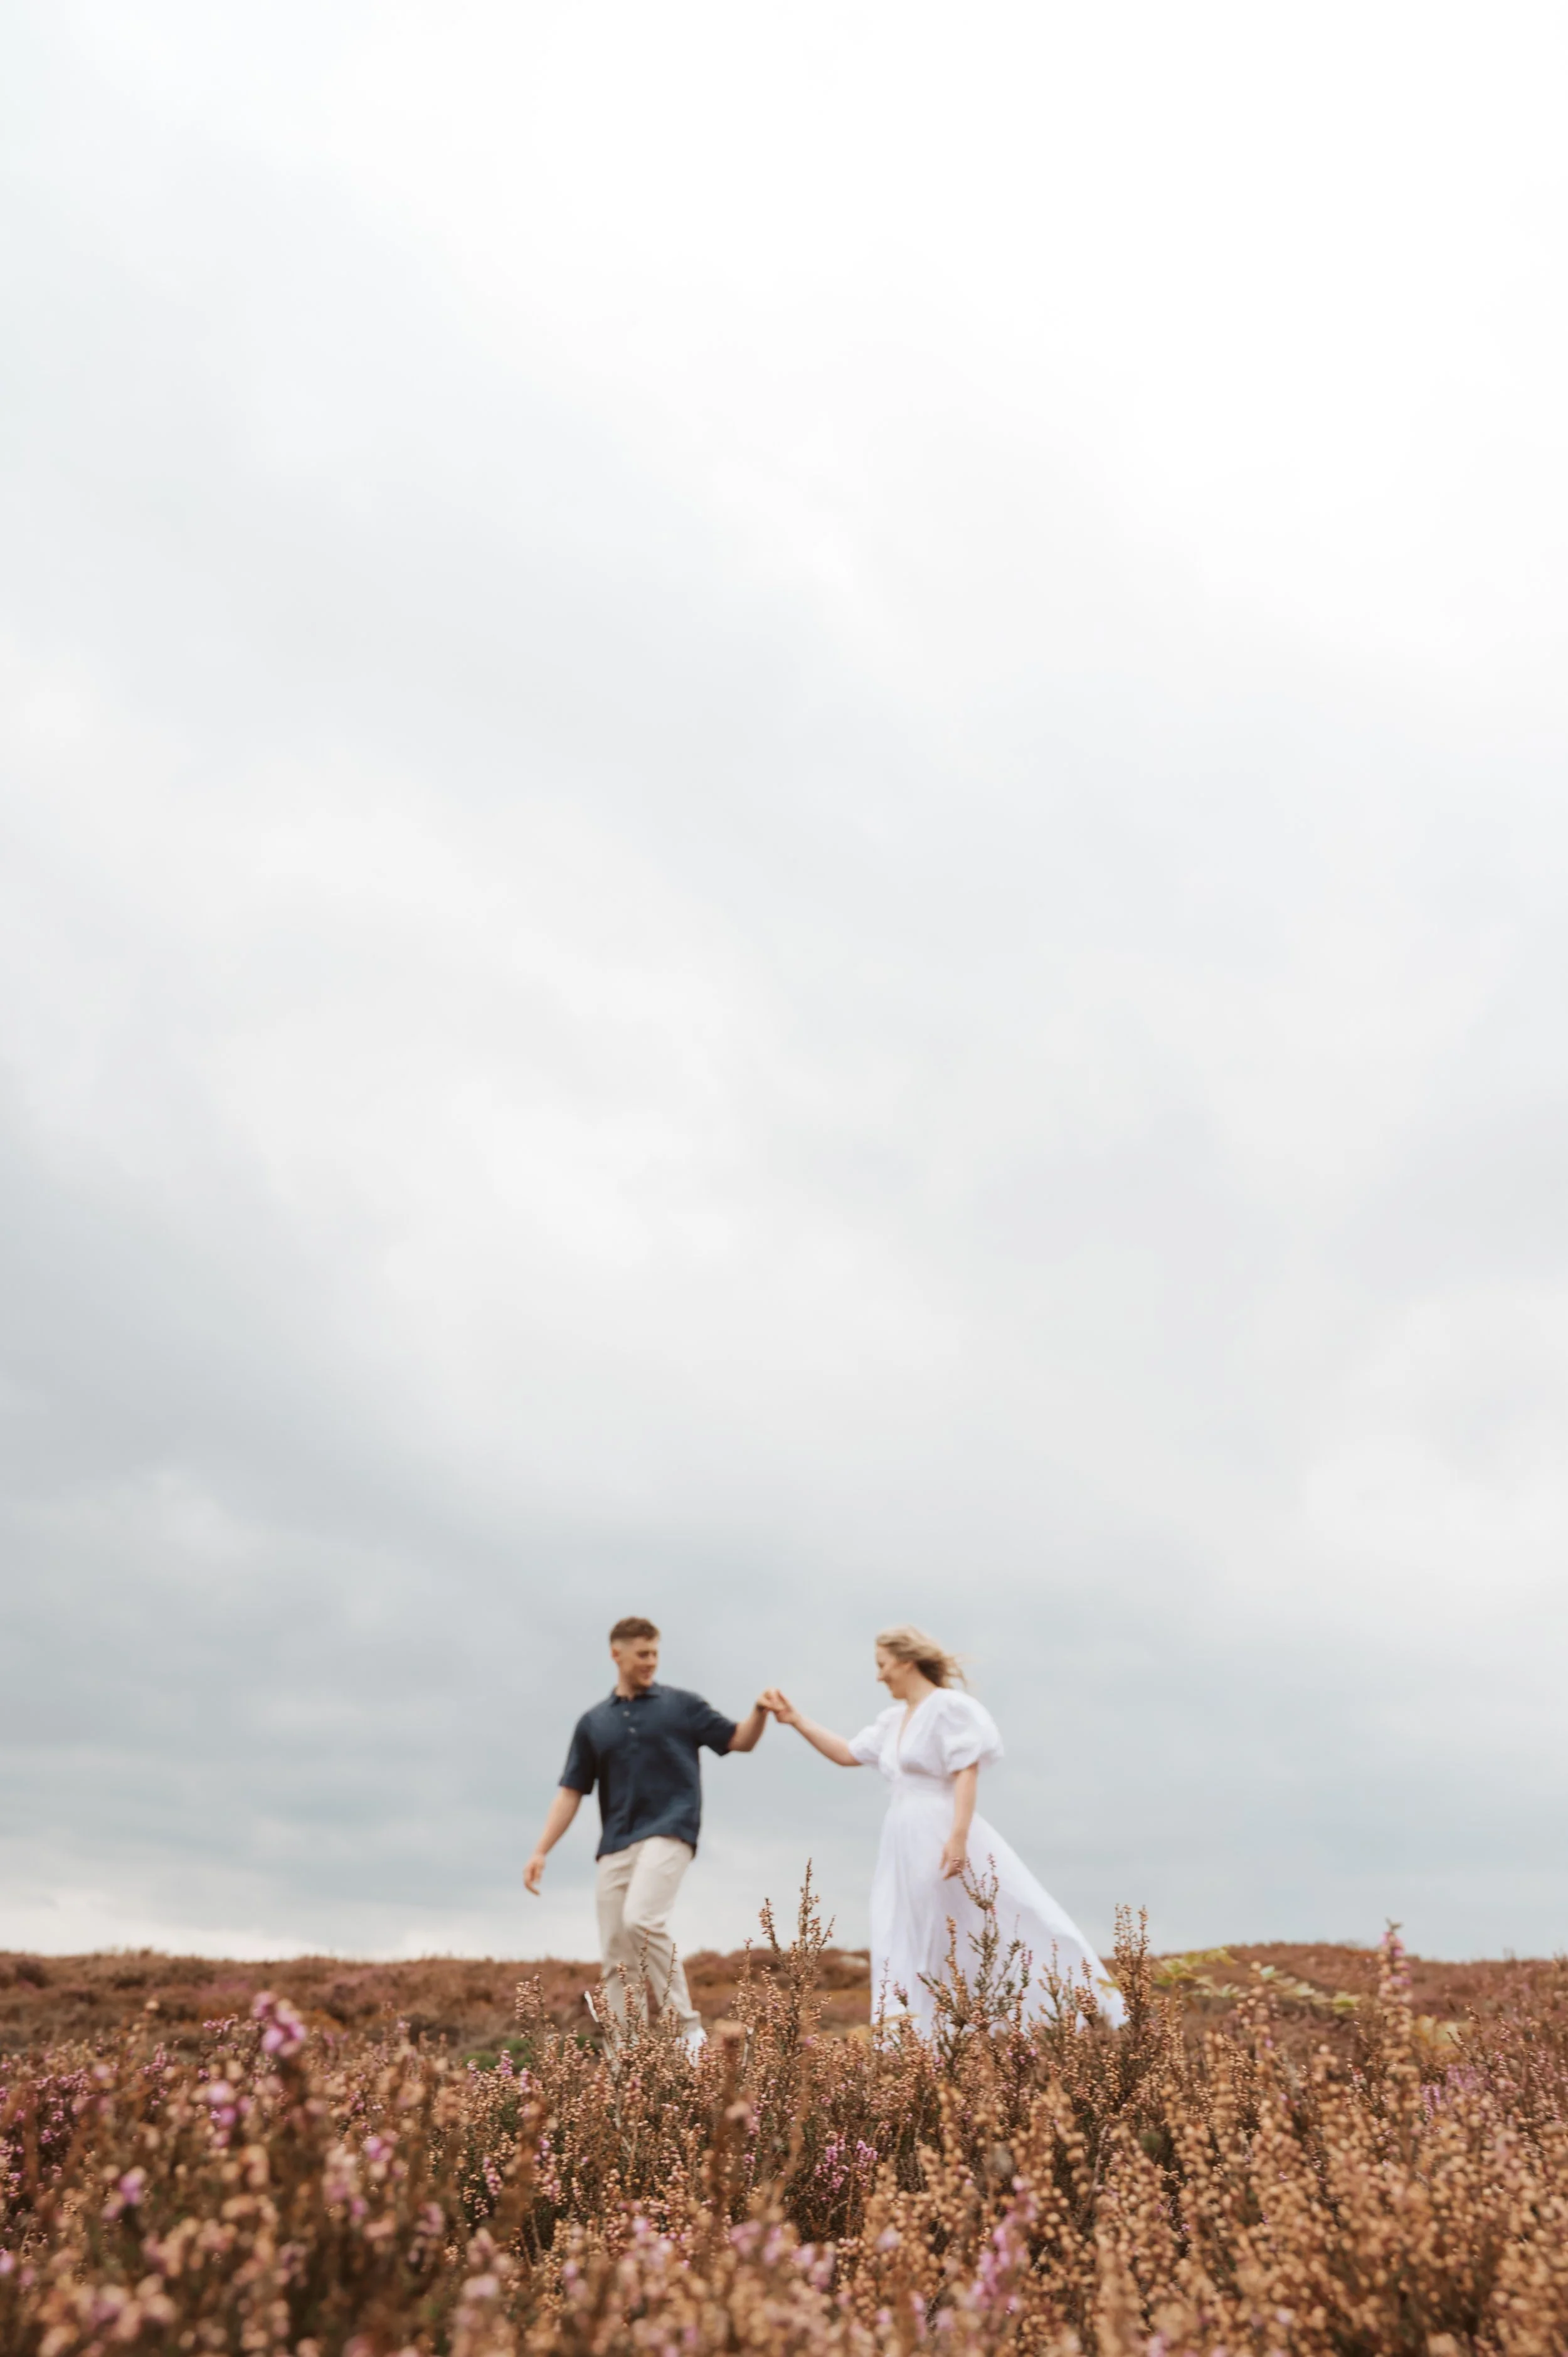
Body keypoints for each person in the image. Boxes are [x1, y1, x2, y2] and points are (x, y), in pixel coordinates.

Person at [761, 1624, 1125, 2034]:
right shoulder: (893, 1720)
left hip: (938, 1824)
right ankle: (922, 2034)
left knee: (973, 1921)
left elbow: (965, 1772)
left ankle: (1068, 2008)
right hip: (901, 1834)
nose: (879, 1676)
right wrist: (794, 1720)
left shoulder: (948, 1706)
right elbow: (847, 1754)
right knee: (904, 1926)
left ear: (906, 1661)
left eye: (882, 1665)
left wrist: (958, 1837)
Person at [526, 1616, 768, 2050]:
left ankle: (686, 2029)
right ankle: (628, 2059)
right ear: (616, 1654)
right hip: (615, 1842)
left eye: (655, 1653)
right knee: (616, 1957)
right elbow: (570, 1792)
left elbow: (739, 1740)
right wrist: (541, 1850)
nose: (651, 1662)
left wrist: (760, 1712)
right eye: (642, 1654)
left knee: (642, 1918)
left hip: (671, 1830)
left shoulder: (682, 1706)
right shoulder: (593, 1723)